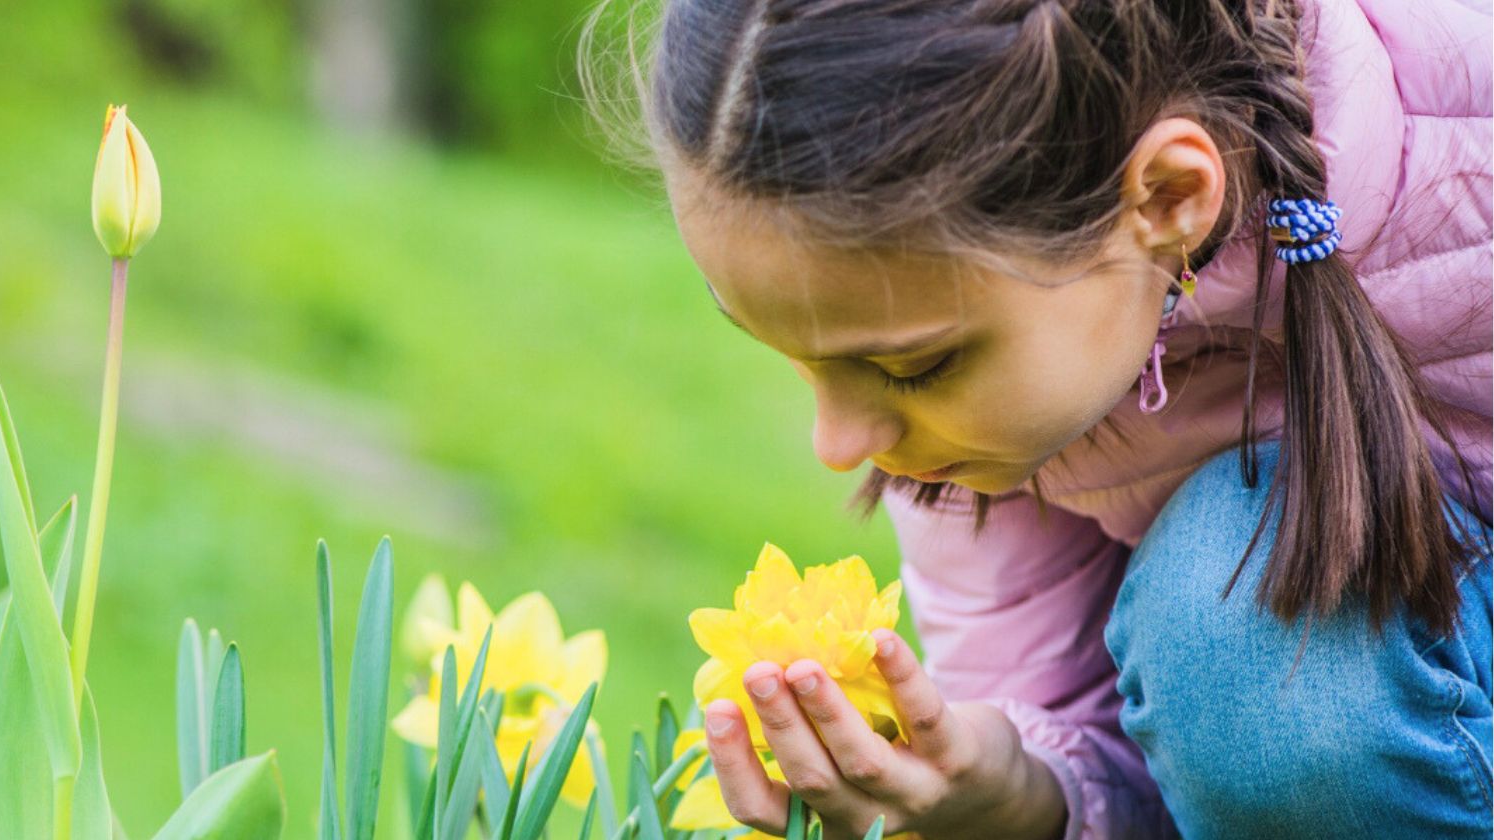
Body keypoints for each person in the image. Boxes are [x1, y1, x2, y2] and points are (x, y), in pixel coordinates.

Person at [580, 0, 1493, 836]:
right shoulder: (996, 417)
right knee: (1243, 640)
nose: (838, 445)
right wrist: (1010, 783)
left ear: (1170, 199)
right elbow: (1131, 759)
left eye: (912, 366)